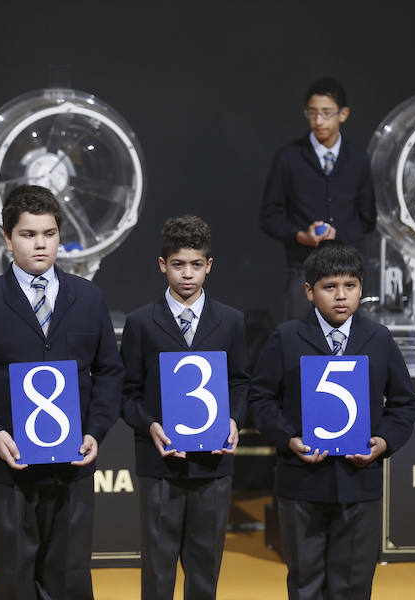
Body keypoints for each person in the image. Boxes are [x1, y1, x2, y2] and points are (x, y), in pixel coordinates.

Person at [0, 184, 123, 600]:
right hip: (7, 466)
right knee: (13, 577)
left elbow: (109, 372)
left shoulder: (88, 298)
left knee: (69, 577)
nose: (40, 244)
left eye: (49, 234)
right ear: (7, 238)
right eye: (28, 234)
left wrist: (97, 430)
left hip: (72, 464)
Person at [248, 240, 415, 599]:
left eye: (350, 286)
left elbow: (404, 404)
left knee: (353, 586)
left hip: (360, 484)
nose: (341, 296)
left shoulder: (379, 339)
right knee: (305, 583)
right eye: (329, 287)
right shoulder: (287, 337)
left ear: (361, 289)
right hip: (302, 484)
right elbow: (260, 399)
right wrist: (289, 439)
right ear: (309, 291)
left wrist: (383, 442)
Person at [121, 215, 249, 600]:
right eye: (178, 265)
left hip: (213, 464)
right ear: (163, 265)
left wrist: (233, 420)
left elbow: (240, 381)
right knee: (157, 572)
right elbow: (127, 392)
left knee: (205, 569)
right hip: (160, 465)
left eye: (196, 265)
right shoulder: (141, 323)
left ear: (209, 265)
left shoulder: (230, 321)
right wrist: (149, 426)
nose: (187, 274)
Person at [260, 77, 376, 320]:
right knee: (299, 346)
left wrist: (338, 233)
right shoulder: (289, 157)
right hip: (303, 271)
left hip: (347, 272)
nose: (318, 121)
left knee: (347, 346)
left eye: (326, 113)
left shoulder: (357, 159)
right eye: (312, 113)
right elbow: (269, 216)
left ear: (343, 114)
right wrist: (302, 235)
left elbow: (368, 218)